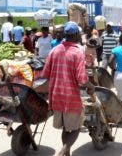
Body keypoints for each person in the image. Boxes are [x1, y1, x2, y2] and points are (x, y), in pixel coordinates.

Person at [42, 21, 94, 156]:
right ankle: (63, 151)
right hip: (70, 97)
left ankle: (67, 153)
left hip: (56, 96)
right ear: (76, 34)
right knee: (76, 127)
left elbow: (45, 73)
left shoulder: (54, 50)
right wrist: (91, 86)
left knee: (66, 128)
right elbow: (82, 79)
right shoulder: (77, 52)